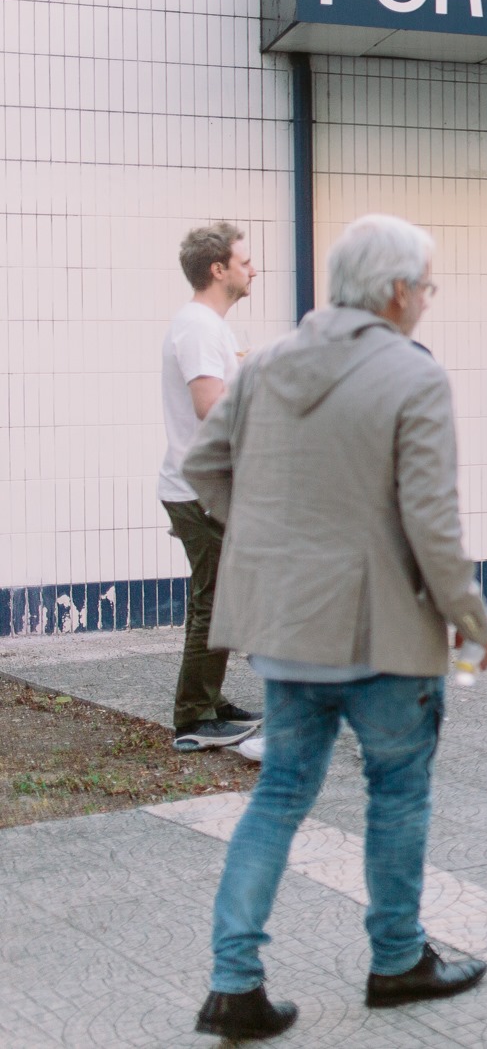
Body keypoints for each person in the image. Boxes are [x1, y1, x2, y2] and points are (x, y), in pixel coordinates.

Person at [182, 214, 487, 1041]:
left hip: (288, 627)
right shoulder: (413, 373)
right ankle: (397, 959)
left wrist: (269, 536)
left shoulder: (269, 362)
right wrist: (471, 616)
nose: (426, 299)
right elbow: (431, 521)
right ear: (396, 290)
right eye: (425, 286)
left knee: (280, 794)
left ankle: (233, 982)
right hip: (382, 632)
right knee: (397, 791)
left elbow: (203, 465)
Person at [160, 223, 262, 754]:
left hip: (203, 486)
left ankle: (209, 701)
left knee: (217, 595)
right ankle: (194, 717)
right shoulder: (199, 327)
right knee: (216, 600)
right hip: (198, 488)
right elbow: (209, 407)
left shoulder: (208, 326)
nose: (253, 270)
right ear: (218, 269)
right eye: (244, 262)